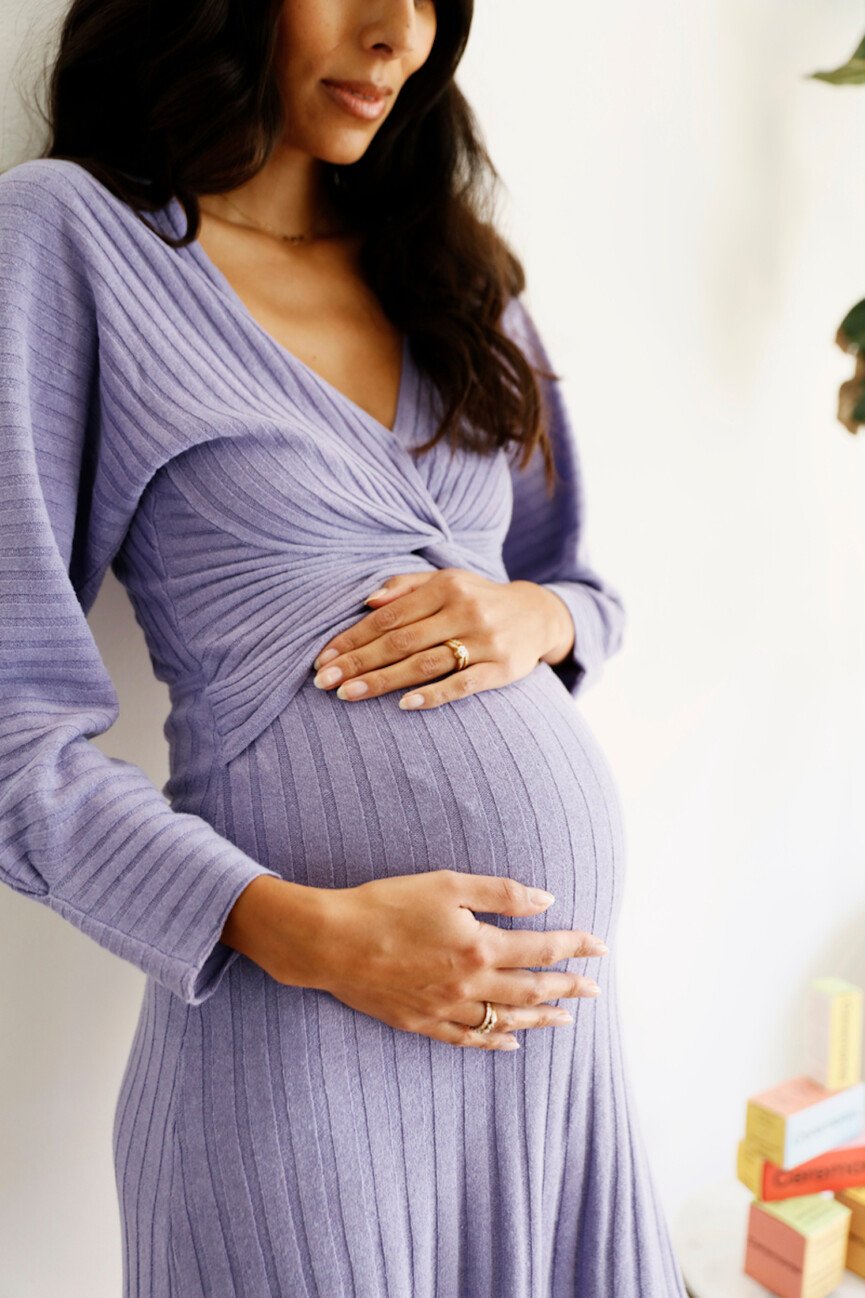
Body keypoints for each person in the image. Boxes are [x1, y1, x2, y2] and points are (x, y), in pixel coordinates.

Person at [0, 1, 688, 1294]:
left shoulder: (450, 271)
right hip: (299, 1076)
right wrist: (297, 931)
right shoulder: (69, 238)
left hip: (548, 1071)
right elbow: (7, 731)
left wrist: (537, 616)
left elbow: (581, 586)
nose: (399, 36)